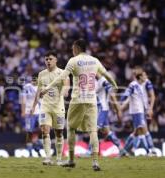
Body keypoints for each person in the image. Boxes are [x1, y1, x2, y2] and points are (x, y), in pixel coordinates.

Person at [41, 39, 118, 171]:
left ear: (76, 48)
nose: (72, 50)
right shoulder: (95, 60)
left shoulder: (73, 60)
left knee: (71, 128)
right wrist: (115, 85)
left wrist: (47, 87)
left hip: (77, 100)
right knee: (93, 131)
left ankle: (71, 160)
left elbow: (61, 77)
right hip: (91, 100)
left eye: (72, 48)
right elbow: (106, 75)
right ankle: (95, 162)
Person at [31, 51, 70, 166]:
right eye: (46, 59)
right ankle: (47, 157)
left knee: (58, 133)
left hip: (58, 107)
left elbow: (66, 86)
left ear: (56, 60)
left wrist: (64, 92)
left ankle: (58, 158)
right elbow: (38, 91)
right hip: (45, 107)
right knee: (44, 131)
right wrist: (33, 106)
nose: (48, 61)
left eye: (50, 59)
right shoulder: (41, 74)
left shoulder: (62, 73)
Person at [120, 68, 156, 156]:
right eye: (144, 75)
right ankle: (151, 150)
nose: (146, 77)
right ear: (140, 77)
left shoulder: (146, 82)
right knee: (144, 129)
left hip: (142, 110)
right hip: (136, 111)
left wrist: (150, 108)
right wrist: (121, 103)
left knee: (136, 132)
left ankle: (124, 151)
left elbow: (152, 96)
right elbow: (126, 95)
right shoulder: (132, 85)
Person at [96, 74, 122, 150]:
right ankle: (121, 149)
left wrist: (118, 110)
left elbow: (112, 95)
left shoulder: (104, 81)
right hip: (101, 108)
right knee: (107, 131)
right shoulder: (96, 81)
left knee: (94, 130)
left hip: (102, 109)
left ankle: (90, 151)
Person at [21, 74, 41, 157]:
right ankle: (30, 152)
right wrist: (23, 111)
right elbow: (23, 99)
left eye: (36, 79)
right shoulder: (26, 87)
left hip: (39, 112)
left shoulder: (41, 87)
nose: (34, 80)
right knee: (29, 132)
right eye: (33, 79)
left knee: (42, 130)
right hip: (29, 112)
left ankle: (36, 146)